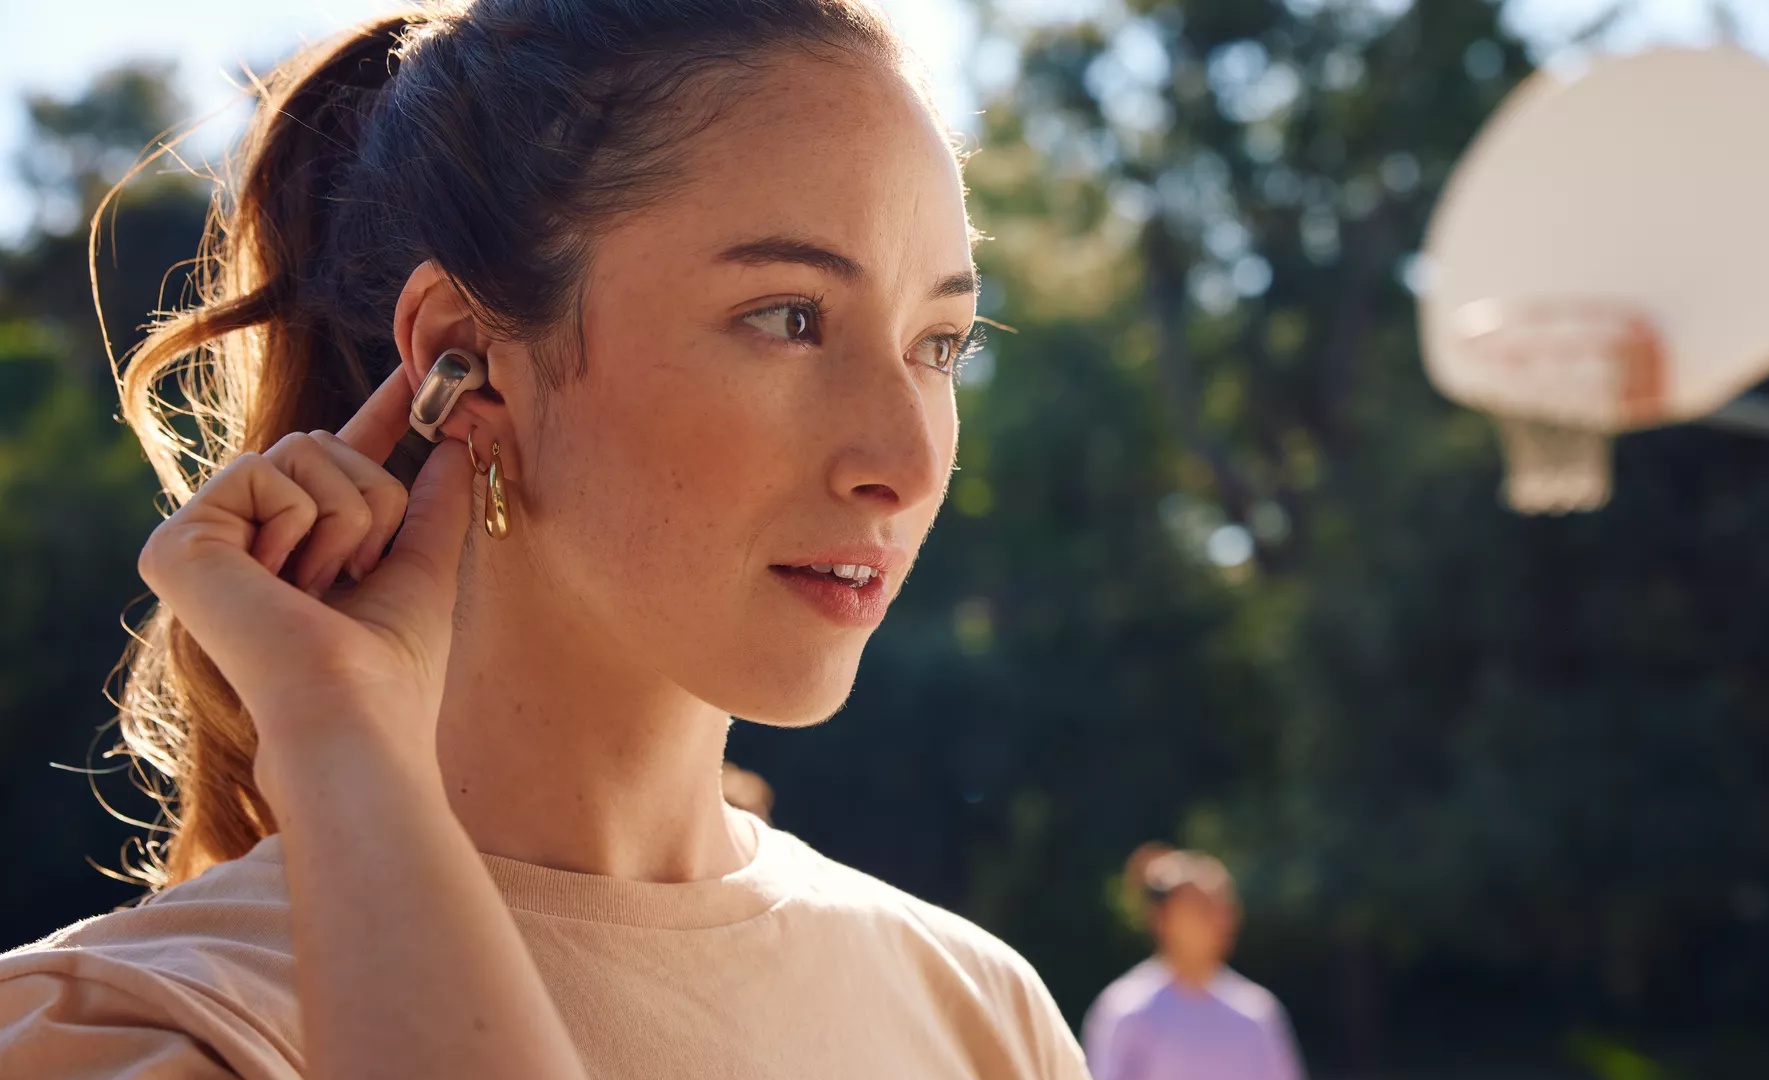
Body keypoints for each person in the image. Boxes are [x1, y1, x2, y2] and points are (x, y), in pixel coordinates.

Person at [0, 3, 1090, 1078]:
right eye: (788, 318)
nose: (904, 461)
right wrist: (341, 741)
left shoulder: (982, 1018)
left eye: (940, 344)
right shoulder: (131, 1031)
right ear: (463, 360)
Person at [1083, 844, 1308, 1080]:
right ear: (1163, 918)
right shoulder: (1127, 1009)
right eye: (1202, 907)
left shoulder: (1257, 1011)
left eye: (1224, 907)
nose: (1219, 919)